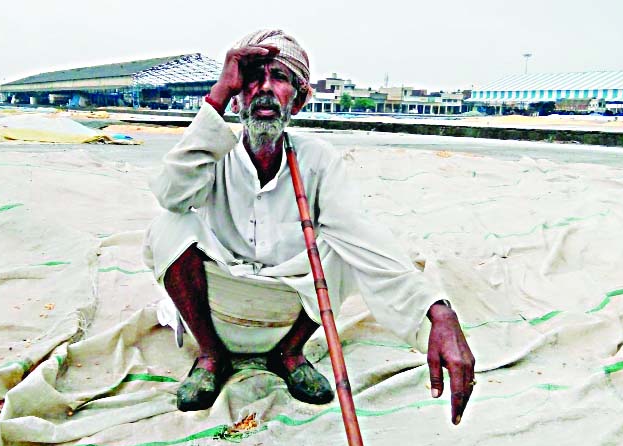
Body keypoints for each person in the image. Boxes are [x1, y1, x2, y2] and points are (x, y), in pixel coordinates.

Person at [144, 29, 475, 424]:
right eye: (252, 78)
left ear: (296, 101)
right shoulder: (212, 152)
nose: (264, 88)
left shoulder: (318, 160)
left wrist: (436, 310)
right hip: (219, 306)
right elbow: (170, 194)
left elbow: (361, 235)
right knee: (169, 224)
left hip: (289, 307)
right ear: (238, 96)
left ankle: (290, 354)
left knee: (344, 247)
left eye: (280, 78)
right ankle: (211, 356)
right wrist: (216, 96)